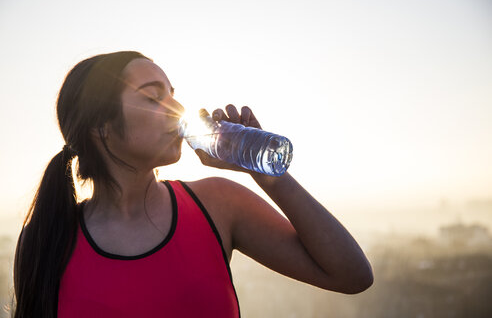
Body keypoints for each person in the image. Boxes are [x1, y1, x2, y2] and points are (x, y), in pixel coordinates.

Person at [12, 51, 373, 318]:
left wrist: (267, 174)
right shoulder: (46, 237)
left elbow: (351, 275)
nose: (177, 106)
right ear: (101, 127)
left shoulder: (217, 203)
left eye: (172, 92)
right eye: (154, 97)